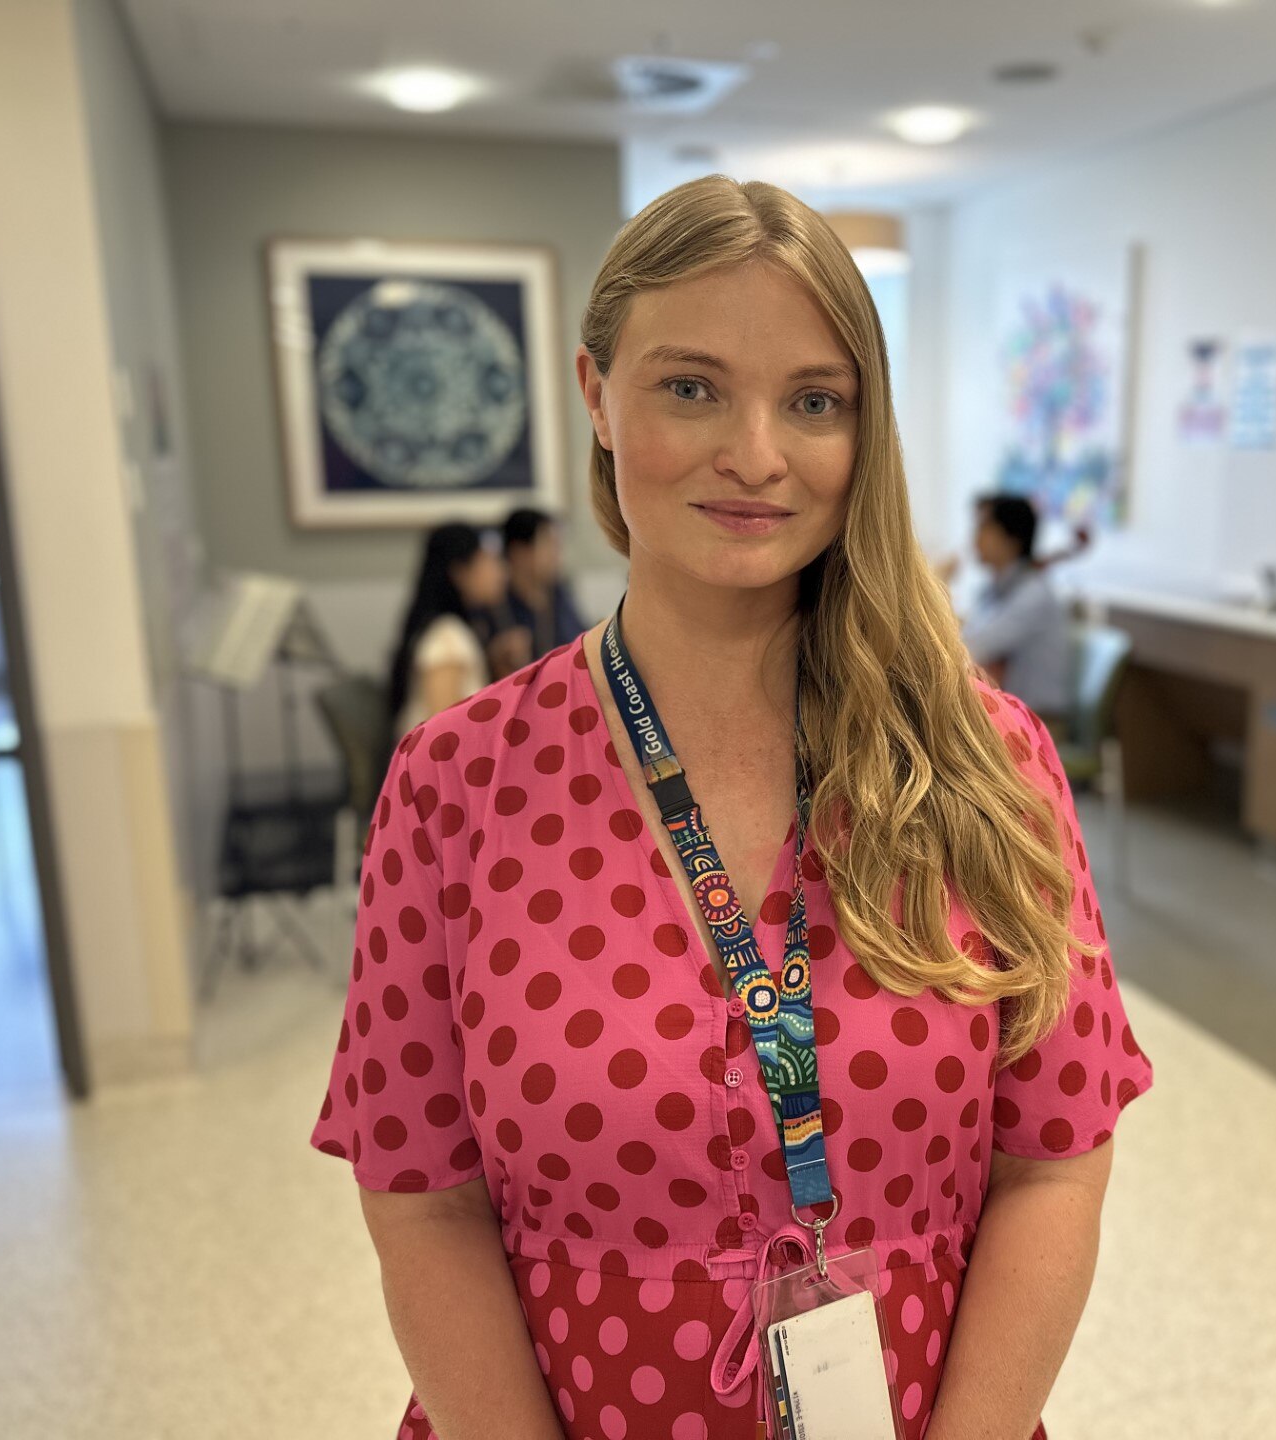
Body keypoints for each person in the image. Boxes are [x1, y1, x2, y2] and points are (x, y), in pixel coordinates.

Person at [310, 175, 1153, 1440]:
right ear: (596, 393)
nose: (755, 454)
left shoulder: (988, 764)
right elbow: (424, 1196)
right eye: (691, 386)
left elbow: (1056, 1160)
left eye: (814, 402)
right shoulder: (458, 783)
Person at [384, 523, 505, 743]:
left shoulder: (454, 629)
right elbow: (442, 740)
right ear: (460, 572)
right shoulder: (447, 640)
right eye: (488, 560)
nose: (500, 571)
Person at [960, 493, 1073, 723]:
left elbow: (970, 649)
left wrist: (935, 587)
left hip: (1039, 723)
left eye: (984, 527)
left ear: (1011, 538)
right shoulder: (992, 590)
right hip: (1010, 716)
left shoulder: (1034, 595)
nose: (975, 538)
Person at [501, 506, 587, 661]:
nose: (556, 554)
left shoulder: (559, 594)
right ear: (519, 552)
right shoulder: (498, 606)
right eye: (549, 544)